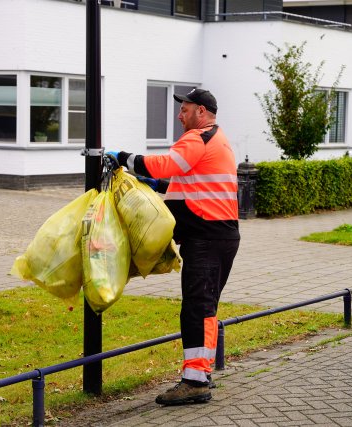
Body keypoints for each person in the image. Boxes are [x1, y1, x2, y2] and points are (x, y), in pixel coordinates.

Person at [106, 88, 240, 406]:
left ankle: (195, 383)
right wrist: (159, 186)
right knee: (205, 309)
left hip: (207, 239)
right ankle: (202, 372)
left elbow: (164, 164)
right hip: (218, 237)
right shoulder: (216, 139)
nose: (180, 116)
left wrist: (122, 158)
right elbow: (190, 180)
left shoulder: (199, 138)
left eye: (185, 110)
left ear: (202, 112)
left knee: (197, 310)